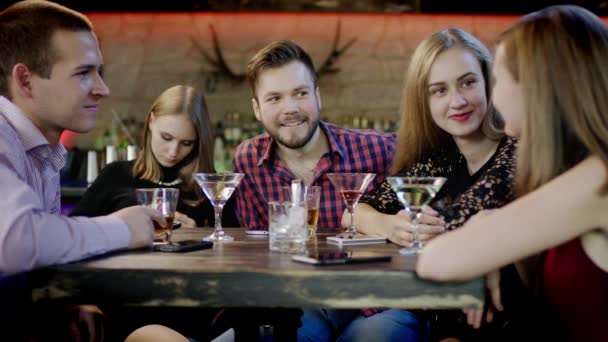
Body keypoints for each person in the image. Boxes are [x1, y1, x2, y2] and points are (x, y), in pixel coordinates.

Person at [299, 28, 517, 342]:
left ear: (487, 82)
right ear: (424, 100)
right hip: (435, 313)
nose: (457, 101)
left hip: (495, 321)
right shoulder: (438, 162)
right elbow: (353, 213)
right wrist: (391, 225)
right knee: (307, 316)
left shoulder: (515, 151)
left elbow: (473, 221)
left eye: (468, 82)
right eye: (439, 90)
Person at [417, 5, 608, 341]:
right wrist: (490, 234)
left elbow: (435, 261)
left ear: (537, 89)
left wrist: (484, 238)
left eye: (497, 78)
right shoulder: (580, 169)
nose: (493, 94)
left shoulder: (598, 180)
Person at [0, 0, 163, 339]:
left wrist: (60, 302)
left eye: (98, 72)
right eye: (83, 73)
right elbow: (15, 240)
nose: (103, 89)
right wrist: (122, 229)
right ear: (25, 80)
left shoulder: (41, 150)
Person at [232, 40, 395, 231]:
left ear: (317, 97)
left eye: (300, 93)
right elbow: (254, 245)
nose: (290, 109)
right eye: (274, 98)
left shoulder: (380, 149)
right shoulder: (247, 160)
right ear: (257, 109)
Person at [71, 85, 240, 228]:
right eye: (166, 138)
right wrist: (121, 223)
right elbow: (71, 232)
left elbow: (230, 247)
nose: (173, 152)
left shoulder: (208, 188)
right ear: (151, 121)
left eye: (186, 143)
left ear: (198, 142)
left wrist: (196, 235)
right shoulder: (115, 175)